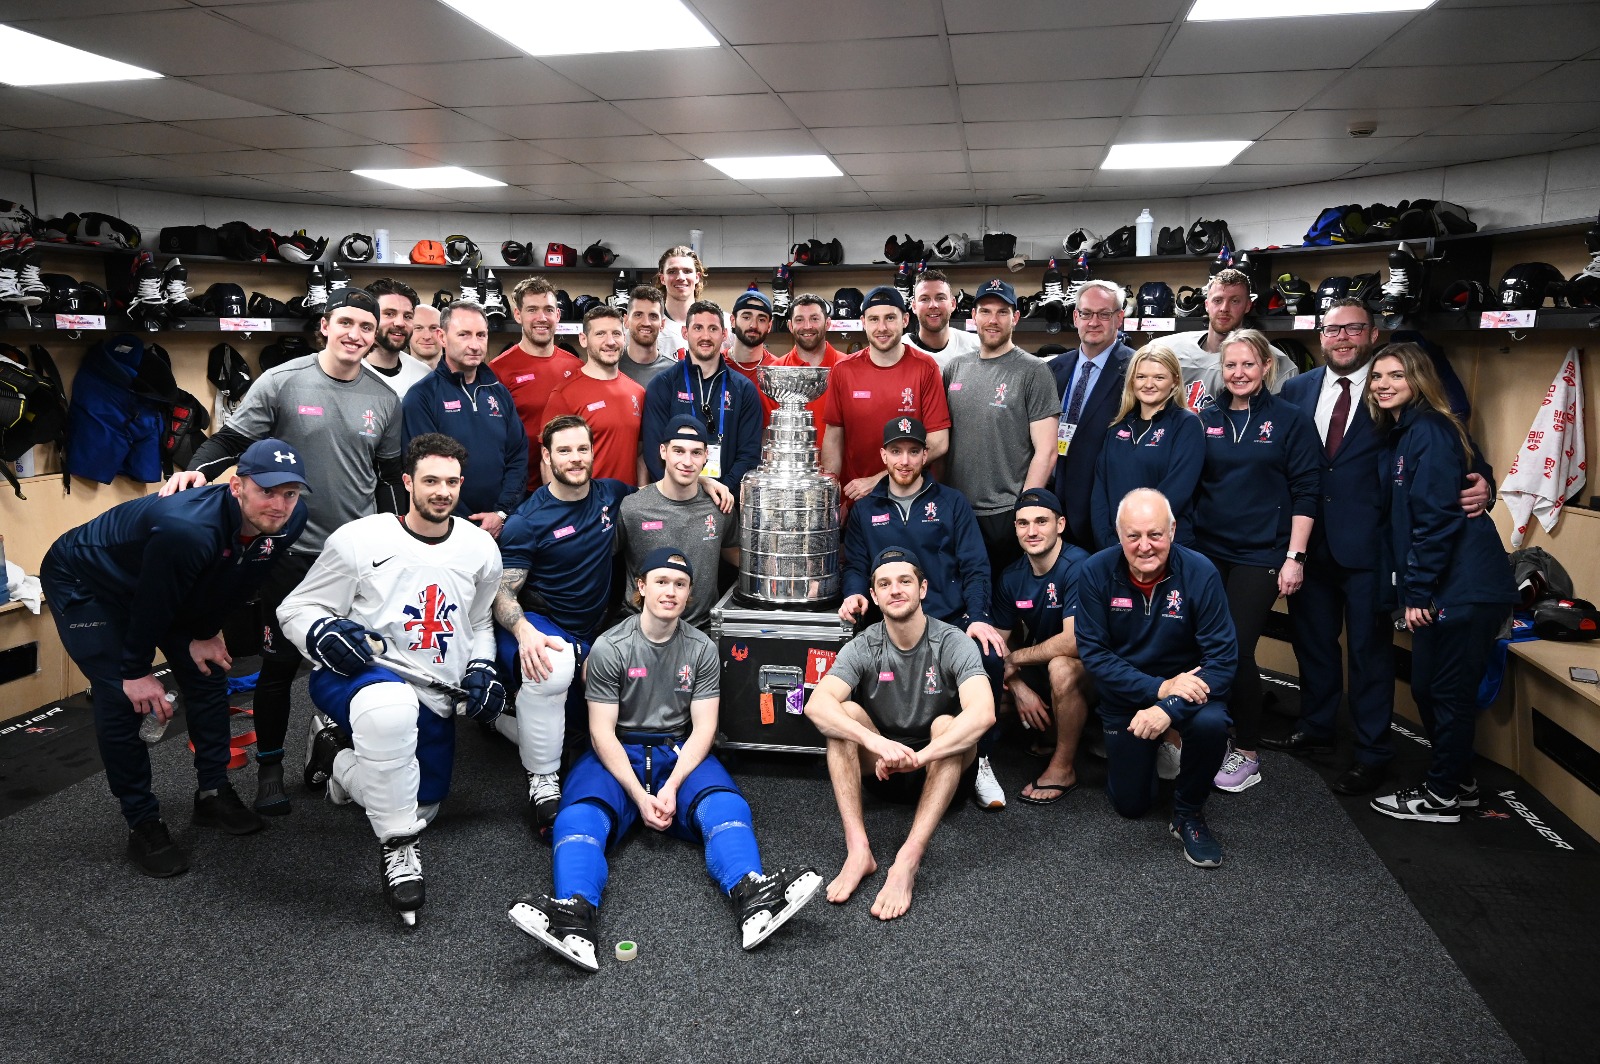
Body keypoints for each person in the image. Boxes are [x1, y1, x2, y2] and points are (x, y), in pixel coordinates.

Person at [508, 547, 821, 970]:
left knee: (727, 806)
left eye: (679, 585)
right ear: (641, 587)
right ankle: (574, 916)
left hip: (677, 748)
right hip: (619, 748)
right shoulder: (610, 646)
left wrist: (671, 786)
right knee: (575, 818)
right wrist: (640, 796)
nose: (670, 592)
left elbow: (705, 728)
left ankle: (753, 895)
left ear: (689, 595)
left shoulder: (701, 648)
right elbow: (601, 732)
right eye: (660, 582)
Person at [165, 288, 404, 817]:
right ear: (325, 325)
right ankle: (270, 769)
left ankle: (338, 747)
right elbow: (229, 441)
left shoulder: (384, 399)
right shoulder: (282, 382)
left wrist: (397, 539)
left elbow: (388, 480)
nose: (356, 335)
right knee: (279, 666)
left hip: (355, 556)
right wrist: (194, 470)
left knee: (358, 657)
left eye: (367, 327)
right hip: (287, 553)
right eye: (347, 323)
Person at [41, 439, 310, 877]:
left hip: (161, 579)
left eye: (290, 493)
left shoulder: (290, 519)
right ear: (237, 486)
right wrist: (134, 672)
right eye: (268, 491)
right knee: (124, 699)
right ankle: (142, 820)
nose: (280, 505)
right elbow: (152, 605)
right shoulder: (187, 528)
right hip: (89, 581)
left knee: (206, 675)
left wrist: (205, 633)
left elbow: (244, 580)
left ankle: (212, 791)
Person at [1268, 300, 1493, 794]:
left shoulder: (1397, 388)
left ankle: (1373, 753)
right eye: (1332, 329)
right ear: (1320, 335)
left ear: (1373, 334)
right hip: (1308, 544)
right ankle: (1316, 726)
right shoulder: (1295, 389)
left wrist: (1485, 485)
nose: (1342, 338)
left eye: (1353, 329)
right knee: (1313, 644)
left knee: (1370, 655)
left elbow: (1459, 449)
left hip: (1374, 551)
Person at [283, 433, 504, 924]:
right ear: (408, 482)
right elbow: (296, 607)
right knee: (390, 715)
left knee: (422, 805)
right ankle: (399, 851)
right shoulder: (361, 539)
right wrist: (320, 631)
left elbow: (481, 621)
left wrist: (481, 666)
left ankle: (334, 755)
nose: (441, 491)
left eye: (450, 482)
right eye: (430, 481)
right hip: (360, 677)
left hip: (433, 693)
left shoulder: (479, 548)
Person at [1366, 343, 1516, 823]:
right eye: (1377, 376)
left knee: (1445, 693)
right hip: (1448, 586)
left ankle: (1441, 798)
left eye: (1396, 375)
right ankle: (1459, 781)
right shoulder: (1407, 431)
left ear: (1419, 380)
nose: (1383, 384)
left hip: (1462, 587)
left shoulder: (1429, 429)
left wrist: (1417, 592)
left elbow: (1435, 520)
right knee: (1432, 690)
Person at [804, 546, 996, 920]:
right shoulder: (864, 644)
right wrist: (876, 743)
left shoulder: (952, 640)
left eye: (905, 581)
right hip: (882, 767)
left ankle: (908, 860)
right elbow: (816, 706)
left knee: (947, 725)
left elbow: (984, 713)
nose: (895, 590)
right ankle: (859, 850)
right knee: (844, 714)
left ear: (922, 589)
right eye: (885, 584)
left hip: (939, 770)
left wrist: (921, 757)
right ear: (873, 596)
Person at [837, 416, 1009, 809]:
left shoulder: (951, 502)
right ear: (883, 456)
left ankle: (980, 759)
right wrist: (852, 595)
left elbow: (976, 566)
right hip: (892, 621)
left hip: (949, 618)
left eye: (913, 451)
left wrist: (979, 616)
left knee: (990, 655)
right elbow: (856, 567)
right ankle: (880, 749)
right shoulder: (867, 509)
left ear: (925, 455)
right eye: (895, 451)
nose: (904, 460)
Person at [1074, 488, 1237, 868]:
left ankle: (1189, 814)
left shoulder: (1200, 572)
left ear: (1173, 530)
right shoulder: (1095, 571)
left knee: (1214, 722)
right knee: (1131, 806)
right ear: (1119, 535)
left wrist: (1168, 708)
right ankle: (1157, 747)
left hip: (1189, 694)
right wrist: (1158, 689)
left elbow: (1224, 661)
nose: (1145, 546)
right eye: (1133, 536)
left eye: (1155, 534)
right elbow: (1094, 654)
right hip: (1127, 696)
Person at [1191, 329, 1320, 794]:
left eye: (1248, 364)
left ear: (1266, 367)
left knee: (1237, 647)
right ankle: (1208, 732)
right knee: (1203, 644)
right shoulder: (1204, 418)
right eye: (1230, 365)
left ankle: (1247, 750)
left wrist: (1295, 557)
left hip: (1262, 553)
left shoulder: (1290, 420)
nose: (1239, 373)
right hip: (1208, 550)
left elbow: (1308, 490)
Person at [490, 415, 628, 835]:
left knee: (580, 733)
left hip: (593, 631)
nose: (575, 458)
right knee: (556, 666)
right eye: (564, 450)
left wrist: (709, 485)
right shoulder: (526, 520)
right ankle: (543, 781)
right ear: (546, 457)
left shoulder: (611, 494)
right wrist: (524, 631)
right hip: (540, 623)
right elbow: (500, 592)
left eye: (582, 449)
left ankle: (496, 716)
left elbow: (663, 496)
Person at [942, 278, 1059, 579]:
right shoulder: (955, 368)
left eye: (1002, 312)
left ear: (1015, 318)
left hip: (1005, 513)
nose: (993, 320)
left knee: (1005, 608)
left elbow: (1046, 451)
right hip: (958, 511)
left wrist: (1025, 511)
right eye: (985, 311)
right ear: (973, 317)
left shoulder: (1034, 371)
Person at [990, 488, 1093, 805]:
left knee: (1061, 667)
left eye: (1041, 521)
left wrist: (1016, 660)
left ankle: (1063, 767)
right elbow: (995, 645)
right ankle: (1048, 733)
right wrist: (1018, 685)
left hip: (1099, 669)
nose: (1031, 531)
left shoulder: (1080, 566)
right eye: (1023, 523)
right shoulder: (1012, 577)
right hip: (1041, 668)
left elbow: (1074, 642)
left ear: (1060, 524)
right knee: (986, 687)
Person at [402, 301, 528, 535]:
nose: (474, 345)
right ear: (442, 337)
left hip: (500, 524)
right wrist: (464, 525)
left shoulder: (498, 392)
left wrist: (501, 513)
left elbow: (517, 457)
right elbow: (424, 471)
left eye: (481, 335)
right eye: (464, 335)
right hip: (446, 529)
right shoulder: (422, 397)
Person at [821, 286, 951, 500]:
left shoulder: (925, 368)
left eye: (890, 318)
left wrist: (879, 480)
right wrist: (832, 499)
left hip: (914, 498)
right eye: (873, 319)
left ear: (905, 320)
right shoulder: (843, 370)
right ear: (863, 322)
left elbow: (938, 443)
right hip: (858, 497)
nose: (882, 327)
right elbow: (833, 440)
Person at [619, 415, 739, 633]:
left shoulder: (718, 506)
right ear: (663, 452)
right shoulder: (633, 508)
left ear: (706, 457)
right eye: (678, 451)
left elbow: (735, 553)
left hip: (701, 630)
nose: (687, 461)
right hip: (641, 629)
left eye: (696, 453)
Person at [640, 299, 763, 492]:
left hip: (727, 503)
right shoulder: (663, 385)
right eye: (698, 328)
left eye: (713, 329)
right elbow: (655, 452)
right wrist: (686, 494)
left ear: (724, 334)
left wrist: (722, 491)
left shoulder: (744, 389)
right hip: (675, 502)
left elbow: (749, 455)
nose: (705, 336)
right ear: (685, 333)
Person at [1090, 343, 1204, 551]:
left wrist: (1136, 538)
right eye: (1141, 377)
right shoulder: (1117, 427)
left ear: (1175, 381)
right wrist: (1107, 540)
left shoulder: (1187, 424)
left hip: (1162, 545)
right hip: (1114, 545)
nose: (1148, 384)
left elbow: (1178, 489)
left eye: (1159, 377)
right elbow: (1100, 490)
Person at [1047, 280, 1135, 550]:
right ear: (1075, 317)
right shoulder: (1053, 369)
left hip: (1101, 504)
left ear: (1119, 318)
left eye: (1104, 314)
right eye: (1086, 313)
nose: (1093, 322)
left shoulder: (1135, 369)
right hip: (1054, 495)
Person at [490, 276, 582, 488]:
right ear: (517, 315)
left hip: (567, 484)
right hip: (518, 486)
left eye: (548, 310)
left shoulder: (576, 367)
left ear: (558, 315)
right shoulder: (498, 370)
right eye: (532, 310)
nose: (542, 317)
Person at [540, 304, 647, 485]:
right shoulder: (564, 394)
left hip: (627, 505)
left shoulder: (638, 392)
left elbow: (639, 454)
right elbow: (548, 461)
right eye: (600, 334)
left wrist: (640, 497)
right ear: (583, 339)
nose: (610, 341)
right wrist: (558, 509)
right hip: (584, 507)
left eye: (616, 333)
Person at [1165, 268, 1299, 408]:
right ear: (1206, 305)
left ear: (1248, 306)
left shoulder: (1276, 362)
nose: (1224, 308)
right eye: (1217, 300)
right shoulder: (1169, 349)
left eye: (1235, 301)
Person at [764, 292, 843, 449]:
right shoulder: (775, 372)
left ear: (828, 323)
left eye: (814, 319)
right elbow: (767, 434)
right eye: (799, 320)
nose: (807, 326)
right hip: (791, 471)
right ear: (790, 326)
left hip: (842, 473)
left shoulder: (846, 367)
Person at [362, 277, 430, 396]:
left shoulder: (423, 375)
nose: (400, 323)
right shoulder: (347, 371)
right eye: (389, 314)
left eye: (407, 316)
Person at [905, 267, 980, 369]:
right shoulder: (899, 350)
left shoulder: (976, 346)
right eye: (924, 299)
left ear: (953, 304)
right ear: (914, 306)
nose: (933, 305)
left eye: (940, 298)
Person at [654, 244, 710, 359]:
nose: (680, 277)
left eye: (687, 271)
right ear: (662, 278)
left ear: (697, 277)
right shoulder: (650, 327)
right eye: (672, 271)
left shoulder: (719, 325)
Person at [618, 284, 677, 387]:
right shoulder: (612, 365)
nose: (646, 322)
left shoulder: (674, 372)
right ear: (626, 321)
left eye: (653, 316)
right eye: (638, 315)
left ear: (662, 324)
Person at [725, 289, 778, 390]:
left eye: (761, 320)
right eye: (746, 317)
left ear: (769, 326)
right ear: (733, 321)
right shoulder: (716, 365)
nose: (753, 325)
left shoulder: (778, 369)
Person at [408, 302, 443, 371]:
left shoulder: (463, 377)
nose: (427, 336)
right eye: (418, 328)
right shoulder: (391, 379)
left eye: (433, 328)